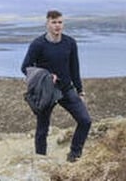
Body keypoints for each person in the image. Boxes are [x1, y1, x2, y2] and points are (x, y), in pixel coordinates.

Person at [21, 10, 92, 162]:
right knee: (42, 129)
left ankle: (74, 155)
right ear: (47, 24)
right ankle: (41, 160)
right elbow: (25, 67)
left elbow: (74, 68)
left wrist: (80, 91)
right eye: (54, 22)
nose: (57, 25)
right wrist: (46, 76)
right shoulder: (38, 44)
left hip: (66, 89)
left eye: (60, 22)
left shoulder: (70, 42)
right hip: (47, 92)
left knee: (85, 121)